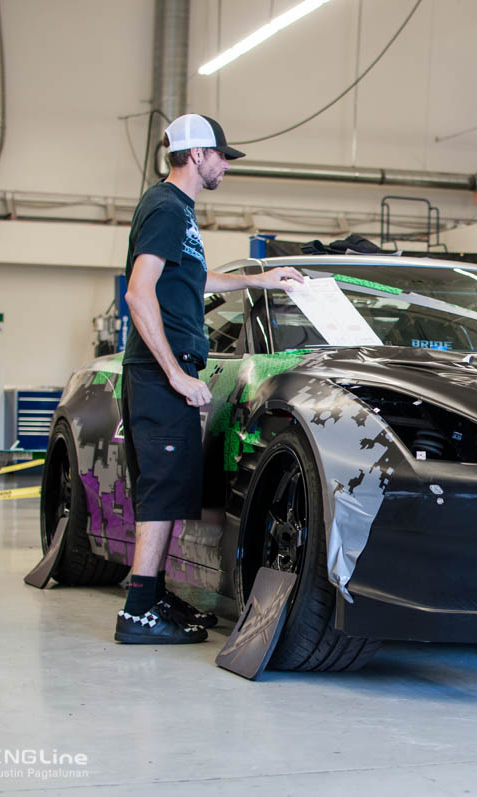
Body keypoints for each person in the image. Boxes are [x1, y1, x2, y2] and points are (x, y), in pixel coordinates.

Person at [116, 114, 304, 644]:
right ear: (196, 155)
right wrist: (175, 373)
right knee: (160, 491)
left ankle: (151, 598)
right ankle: (136, 613)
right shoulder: (165, 208)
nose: (225, 164)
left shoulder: (178, 212)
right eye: (221, 155)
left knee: (172, 488)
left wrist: (261, 278)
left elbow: (193, 279)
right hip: (159, 373)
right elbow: (138, 291)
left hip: (168, 370)